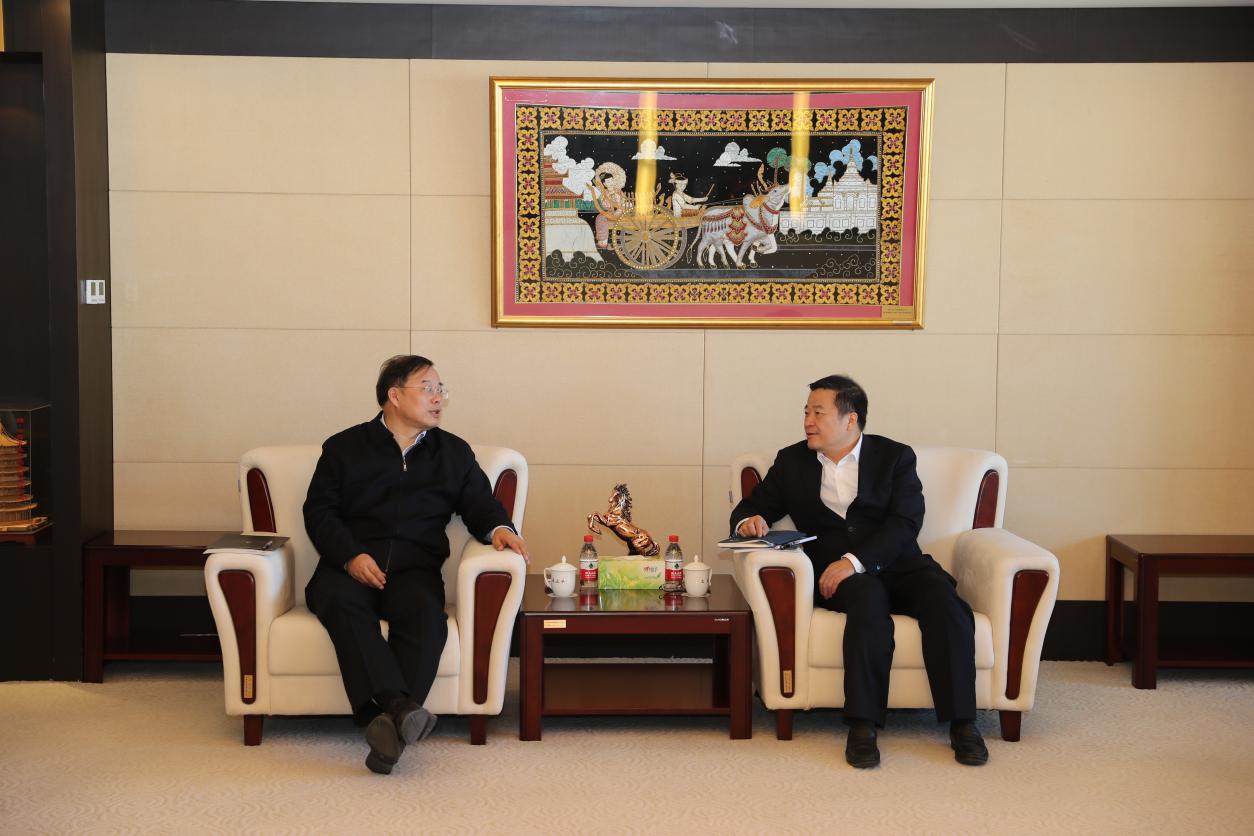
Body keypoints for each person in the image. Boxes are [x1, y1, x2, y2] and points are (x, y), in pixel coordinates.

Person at [729, 374, 987, 769]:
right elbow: (750, 507)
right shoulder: (792, 461)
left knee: (946, 605)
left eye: (818, 413)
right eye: (806, 412)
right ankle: (863, 727)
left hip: (899, 563)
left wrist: (853, 561)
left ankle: (963, 723)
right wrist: (750, 520)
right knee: (868, 605)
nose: (807, 422)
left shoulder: (895, 457)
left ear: (850, 419)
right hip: (838, 576)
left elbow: (906, 522)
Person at [303, 355, 530, 775]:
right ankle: (400, 707)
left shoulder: (453, 452)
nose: (438, 398)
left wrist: (499, 528)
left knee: (427, 619)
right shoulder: (344, 447)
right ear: (394, 395)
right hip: (347, 566)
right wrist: (350, 555)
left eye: (441, 390)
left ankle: (389, 725)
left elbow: (479, 504)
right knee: (339, 602)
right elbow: (319, 512)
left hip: (414, 569)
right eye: (428, 389)